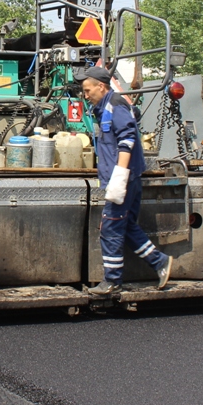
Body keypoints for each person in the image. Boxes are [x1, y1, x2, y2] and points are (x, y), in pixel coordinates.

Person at [78, 66, 172, 295]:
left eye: (88, 90)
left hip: (123, 179)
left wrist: (120, 175)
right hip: (126, 178)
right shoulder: (104, 107)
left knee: (110, 228)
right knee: (127, 225)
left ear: (101, 86)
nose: (85, 95)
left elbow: (127, 139)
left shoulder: (116, 105)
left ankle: (112, 281)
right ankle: (159, 262)